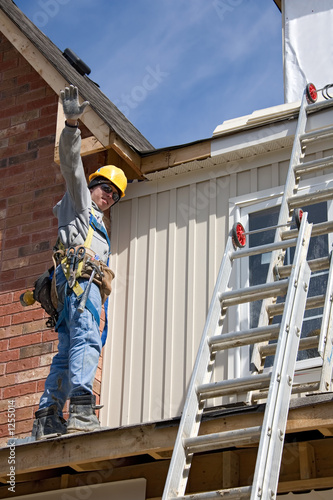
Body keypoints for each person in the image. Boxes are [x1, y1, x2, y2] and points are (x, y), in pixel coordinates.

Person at [32, 85, 127, 439]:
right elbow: (71, 164)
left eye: (114, 196)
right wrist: (72, 125)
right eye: (105, 188)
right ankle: (82, 411)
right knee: (86, 340)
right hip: (76, 285)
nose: (108, 197)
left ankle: (48, 416)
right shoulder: (80, 201)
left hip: (78, 289)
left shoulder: (99, 225)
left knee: (68, 349)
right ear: (94, 184)